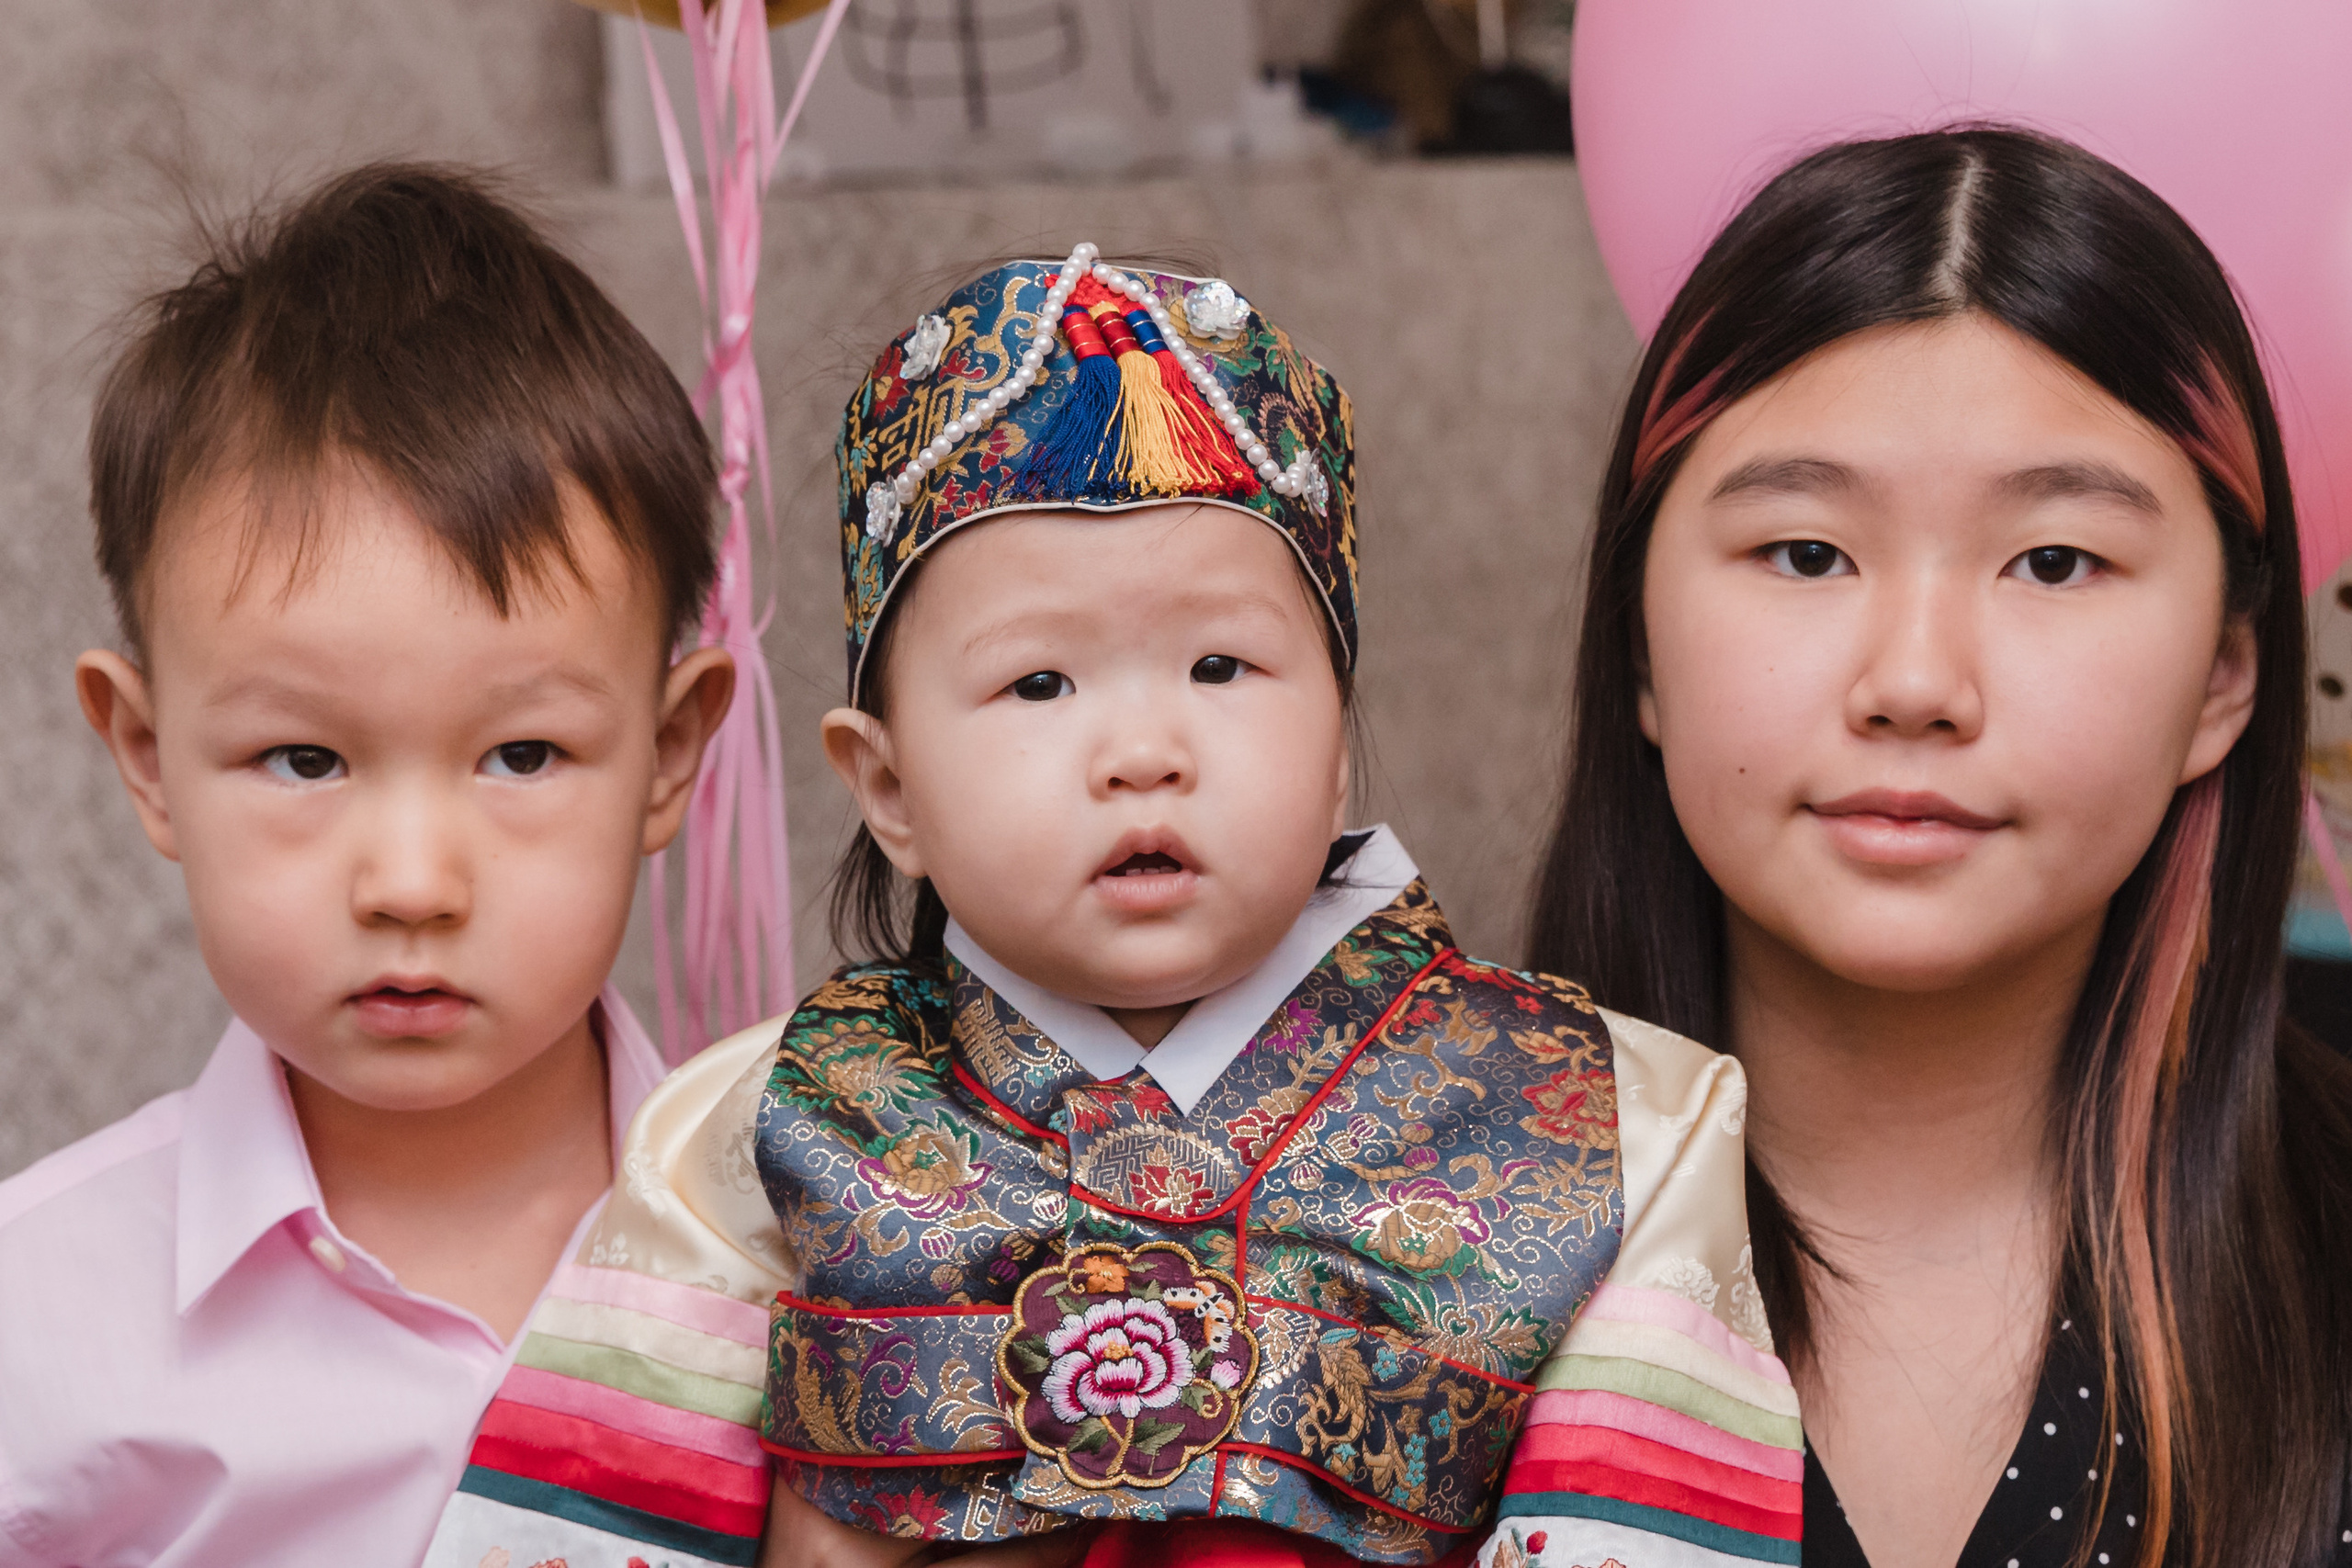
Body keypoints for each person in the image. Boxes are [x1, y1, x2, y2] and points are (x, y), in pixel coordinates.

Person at [420, 248, 1802, 1568]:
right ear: (886, 784)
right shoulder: (753, 1138)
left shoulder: (1614, 1122)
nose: (1144, 748)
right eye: (1040, 685)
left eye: (1220, 665)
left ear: (1335, 746)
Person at [1494, 127, 2352, 1568]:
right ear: (1640, 643)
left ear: (2224, 677)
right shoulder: (1379, 1252)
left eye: (2055, 562)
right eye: (1807, 554)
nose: (1914, 680)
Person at [0, 164, 736, 1565]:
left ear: (671, 750)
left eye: (521, 756)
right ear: (148, 754)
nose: (411, 882)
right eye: (306, 761)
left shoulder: (838, 1249)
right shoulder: (32, 1317)